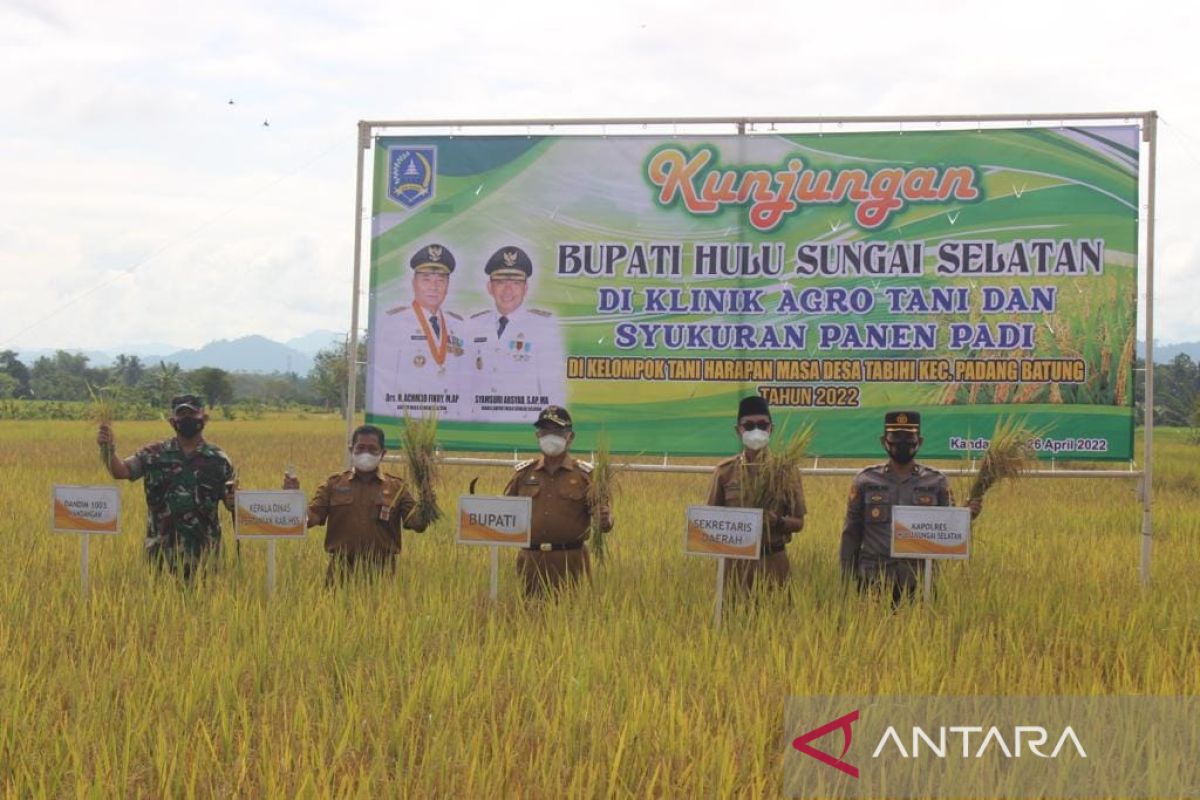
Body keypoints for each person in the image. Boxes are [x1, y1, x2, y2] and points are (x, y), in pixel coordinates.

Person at [840, 411, 983, 604]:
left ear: (920, 441)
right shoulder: (865, 480)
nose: (902, 443)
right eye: (896, 437)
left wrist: (966, 516)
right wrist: (846, 579)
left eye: (909, 437)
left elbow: (948, 529)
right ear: (884, 441)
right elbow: (851, 533)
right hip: (873, 579)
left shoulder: (937, 482)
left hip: (918, 581)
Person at [97, 393, 235, 578]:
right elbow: (121, 471)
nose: (187, 419)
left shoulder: (219, 460)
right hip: (160, 556)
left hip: (206, 557)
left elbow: (232, 503)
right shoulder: (153, 454)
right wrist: (107, 448)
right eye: (182, 415)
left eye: (192, 414)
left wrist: (236, 499)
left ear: (205, 418)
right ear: (172, 421)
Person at [283, 424, 432, 585]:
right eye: (360, 448)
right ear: (351, 450)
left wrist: (427, 500)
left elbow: (417, 524)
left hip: (382, 572)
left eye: (372, 449)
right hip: (340, 571)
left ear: (383, 453)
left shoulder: (397, 488)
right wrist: (293, 498)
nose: (365, 453)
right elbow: (309, 519)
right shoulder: (333, 485)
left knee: (383, 610)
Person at [503, 406, 613, 597]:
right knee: (527, 616)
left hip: (571, 562)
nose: (550, 437)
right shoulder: (523, 474)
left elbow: (602, 522)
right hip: (531, 561)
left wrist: (605, 520)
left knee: (571, 619)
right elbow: (505, 516)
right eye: (545, 431)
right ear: (538, 435)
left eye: (556, 431)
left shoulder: (585, 476)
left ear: (570, 437)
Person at [706, 395, 806, 593]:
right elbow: (710, 522)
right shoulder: (725, 472)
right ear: (738, 431)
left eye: (762, 425)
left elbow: (799, 522)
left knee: (775, 620)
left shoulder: (786, 471)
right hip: (735, 564)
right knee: (732, 619)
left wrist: (777, 521)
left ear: (771, 429)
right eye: (749, 426)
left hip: (774, 561)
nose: (756, 431)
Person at [369, 243, 468, 420]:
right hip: (409, 420)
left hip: (451, 419)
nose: (434, 287)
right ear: (414, 283)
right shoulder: (393, 323)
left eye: (440, 280)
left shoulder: (458, 325)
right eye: (426, 279)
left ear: (448, 285)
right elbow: (383, 384)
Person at [467, 246, 566, 422]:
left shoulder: (543, 326)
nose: (508, 290)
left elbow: (552, 389)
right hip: (479, 424)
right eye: (500, 282)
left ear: (525, 288)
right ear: (490, 287)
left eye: (515, 283)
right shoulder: (473, 324)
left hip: (523, 426)